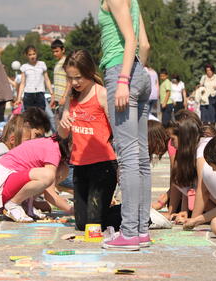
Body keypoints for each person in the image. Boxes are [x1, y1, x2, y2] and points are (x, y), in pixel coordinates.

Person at [98, 0, 151, 250]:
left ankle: (129, 233)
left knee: (128, 156)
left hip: (122, 71)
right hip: (138, 72)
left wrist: (123, 80)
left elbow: (131, 40)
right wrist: (138, 74)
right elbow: (145, 44)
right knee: (141, 158)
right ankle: (140, 230)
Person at [58, 50, 118, 231]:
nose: (74, 82)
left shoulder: (101, 94)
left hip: (103, 165)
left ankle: (135, 214)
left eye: (78, 77)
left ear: (89, 72)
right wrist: (63, 122)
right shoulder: (71, 96)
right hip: (80, 165)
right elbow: (62, 134)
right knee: (82, 225)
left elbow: (117, 130)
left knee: (94, 225)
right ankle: (105, 213)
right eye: (70, 78)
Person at [168, 110, 216, 224]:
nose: (171, 143)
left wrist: (193, 220)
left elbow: (202, 190)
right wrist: (185, 211)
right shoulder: (195, 147)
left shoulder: (203, 151)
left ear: (184, 138)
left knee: (205, 178)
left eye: (173, 139)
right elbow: (187, 183)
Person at [0, 135, 69, 222]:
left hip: (10, 184)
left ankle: (25, 204)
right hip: (3, 190)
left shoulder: (52, 143)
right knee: (47, 175)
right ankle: (13, 204)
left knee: (63, 169)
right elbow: (49, 194)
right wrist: (73, 210)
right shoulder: (53, 150)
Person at [15, 45, 55, 111]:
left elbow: (47, 80)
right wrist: (19, 98)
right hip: (28, 94)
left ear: (36, 54)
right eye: (30, 55)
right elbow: (22, 83)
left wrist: (52, 94)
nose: (32, 56)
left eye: (34, 54)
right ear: (27, 56)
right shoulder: (24, 67)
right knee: (29, 116)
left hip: (40, 93)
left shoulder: (42, 64)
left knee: (42, 115)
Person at [51, 39, 70, 119]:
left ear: (63, 50)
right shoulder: (57, 63)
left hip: (65, 100)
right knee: (58, 126)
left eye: (57, 51)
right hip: (58, 101)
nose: (55, 54)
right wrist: (54, 98)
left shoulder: (67, 62)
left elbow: (70, 81)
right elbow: (56, 83)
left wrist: (64, 97)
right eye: (53, 52)